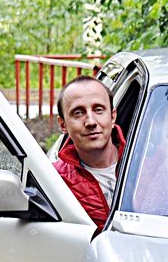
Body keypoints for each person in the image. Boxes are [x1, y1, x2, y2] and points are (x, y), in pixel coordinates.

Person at [53, 76, 125, 231]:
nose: (91, 121)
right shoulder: (53, 181)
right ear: (63, 124)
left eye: (98, 109)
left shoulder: (151, 164)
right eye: (78, 113)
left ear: (112, 117)